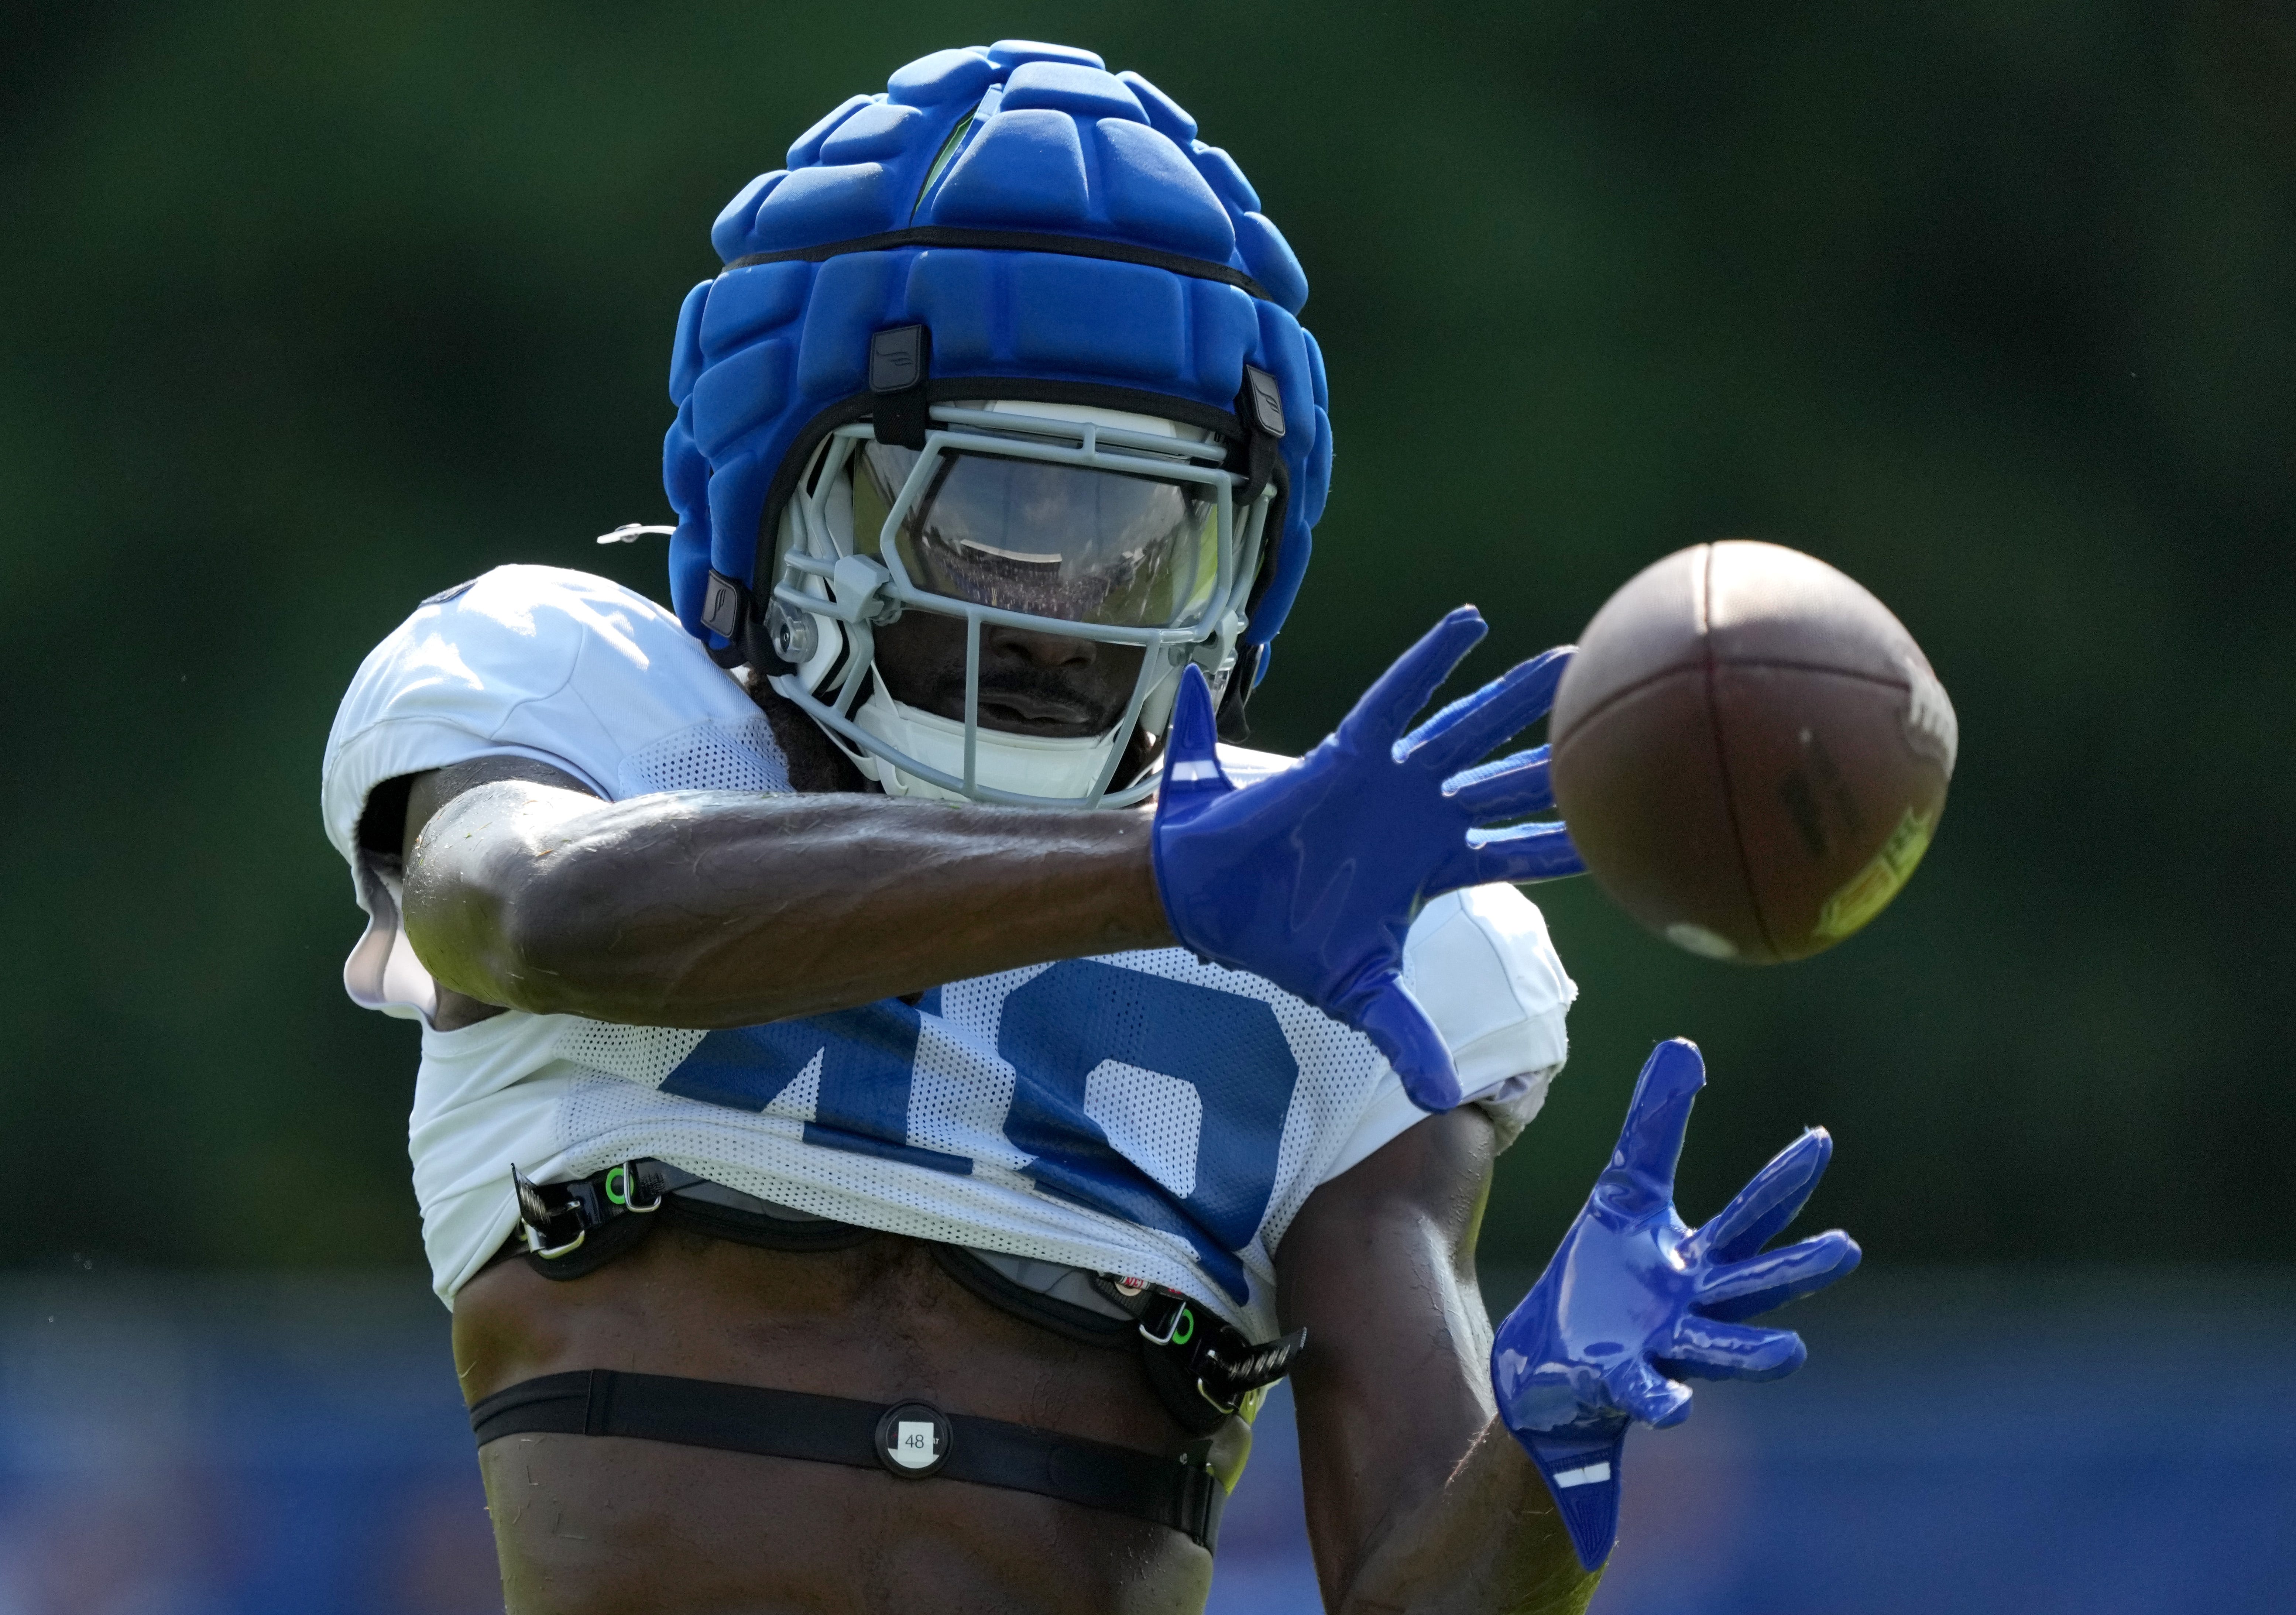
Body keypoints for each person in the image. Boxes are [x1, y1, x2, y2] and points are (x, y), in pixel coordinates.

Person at [321, 41, 1858, 1614]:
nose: (1066, 610)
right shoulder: (586, 713)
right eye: (993, 514)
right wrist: (1159, 882)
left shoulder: (1367, 958)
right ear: (786, 491)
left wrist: (1549, 1452)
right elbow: (530, 914)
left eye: (1143, 537)